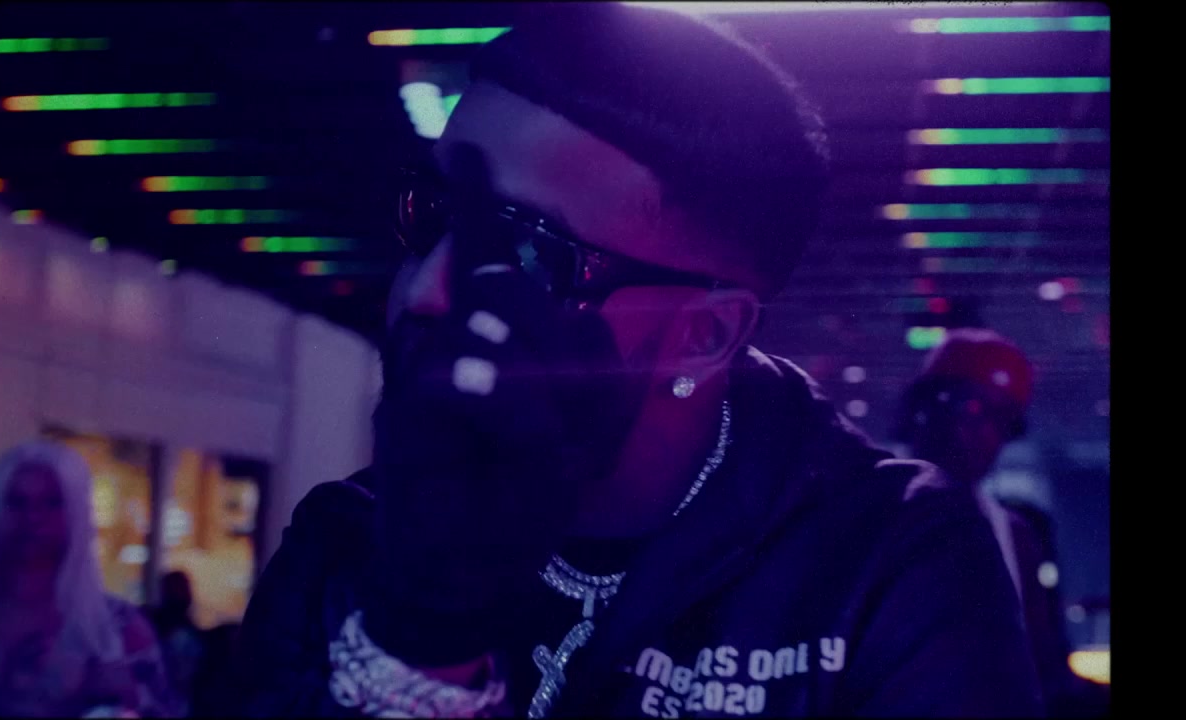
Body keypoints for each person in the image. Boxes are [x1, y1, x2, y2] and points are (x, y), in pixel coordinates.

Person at [239, 5, 1043, 717]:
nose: (423, 290)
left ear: (705, 335)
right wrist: (423, 631)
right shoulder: (346, 537)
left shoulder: (887, 566)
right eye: (431, 211)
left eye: (526, 252)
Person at [895, 328, 1109, 717]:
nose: (987, 433)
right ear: (926, 409)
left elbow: (1044, 666)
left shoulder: (1015, 534)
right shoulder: (865, 517)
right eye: (974, 408)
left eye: (1003, 420)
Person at [0, 441, 177, 718]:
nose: (32, 517)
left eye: (52, 503)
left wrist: (117, 694)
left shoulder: (119, 628)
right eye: (17, 502)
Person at [144, 572, 203, 717]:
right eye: (176, 589)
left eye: (183, 589)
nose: (183, 595)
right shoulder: (151, 627)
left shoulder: (192, 632)